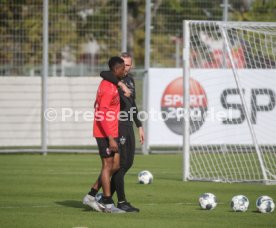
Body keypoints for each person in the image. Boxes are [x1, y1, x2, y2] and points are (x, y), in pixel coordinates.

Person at [101, 52, 144, 212]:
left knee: (128, 163)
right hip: (118, 125)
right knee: (120, 164)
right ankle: (120, 201)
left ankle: (103, 196)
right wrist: (120, 84)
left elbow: (133, 104)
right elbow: (102, 73)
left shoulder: (130, 79)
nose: (126, 67)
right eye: (124, 65)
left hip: (128, 125)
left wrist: (139, 125)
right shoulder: (113, 78)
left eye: (129, 64)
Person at [83, 56, 126, 213]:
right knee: (107, 166)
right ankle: (108, 204)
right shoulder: (108, 87)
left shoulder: (113, 84)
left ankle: (91, 195)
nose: (125, 70)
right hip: (104, 133)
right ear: (117, 69)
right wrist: (110, 138)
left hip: (112, 131)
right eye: (123, 68)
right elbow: (101, 113)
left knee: (116, 165)